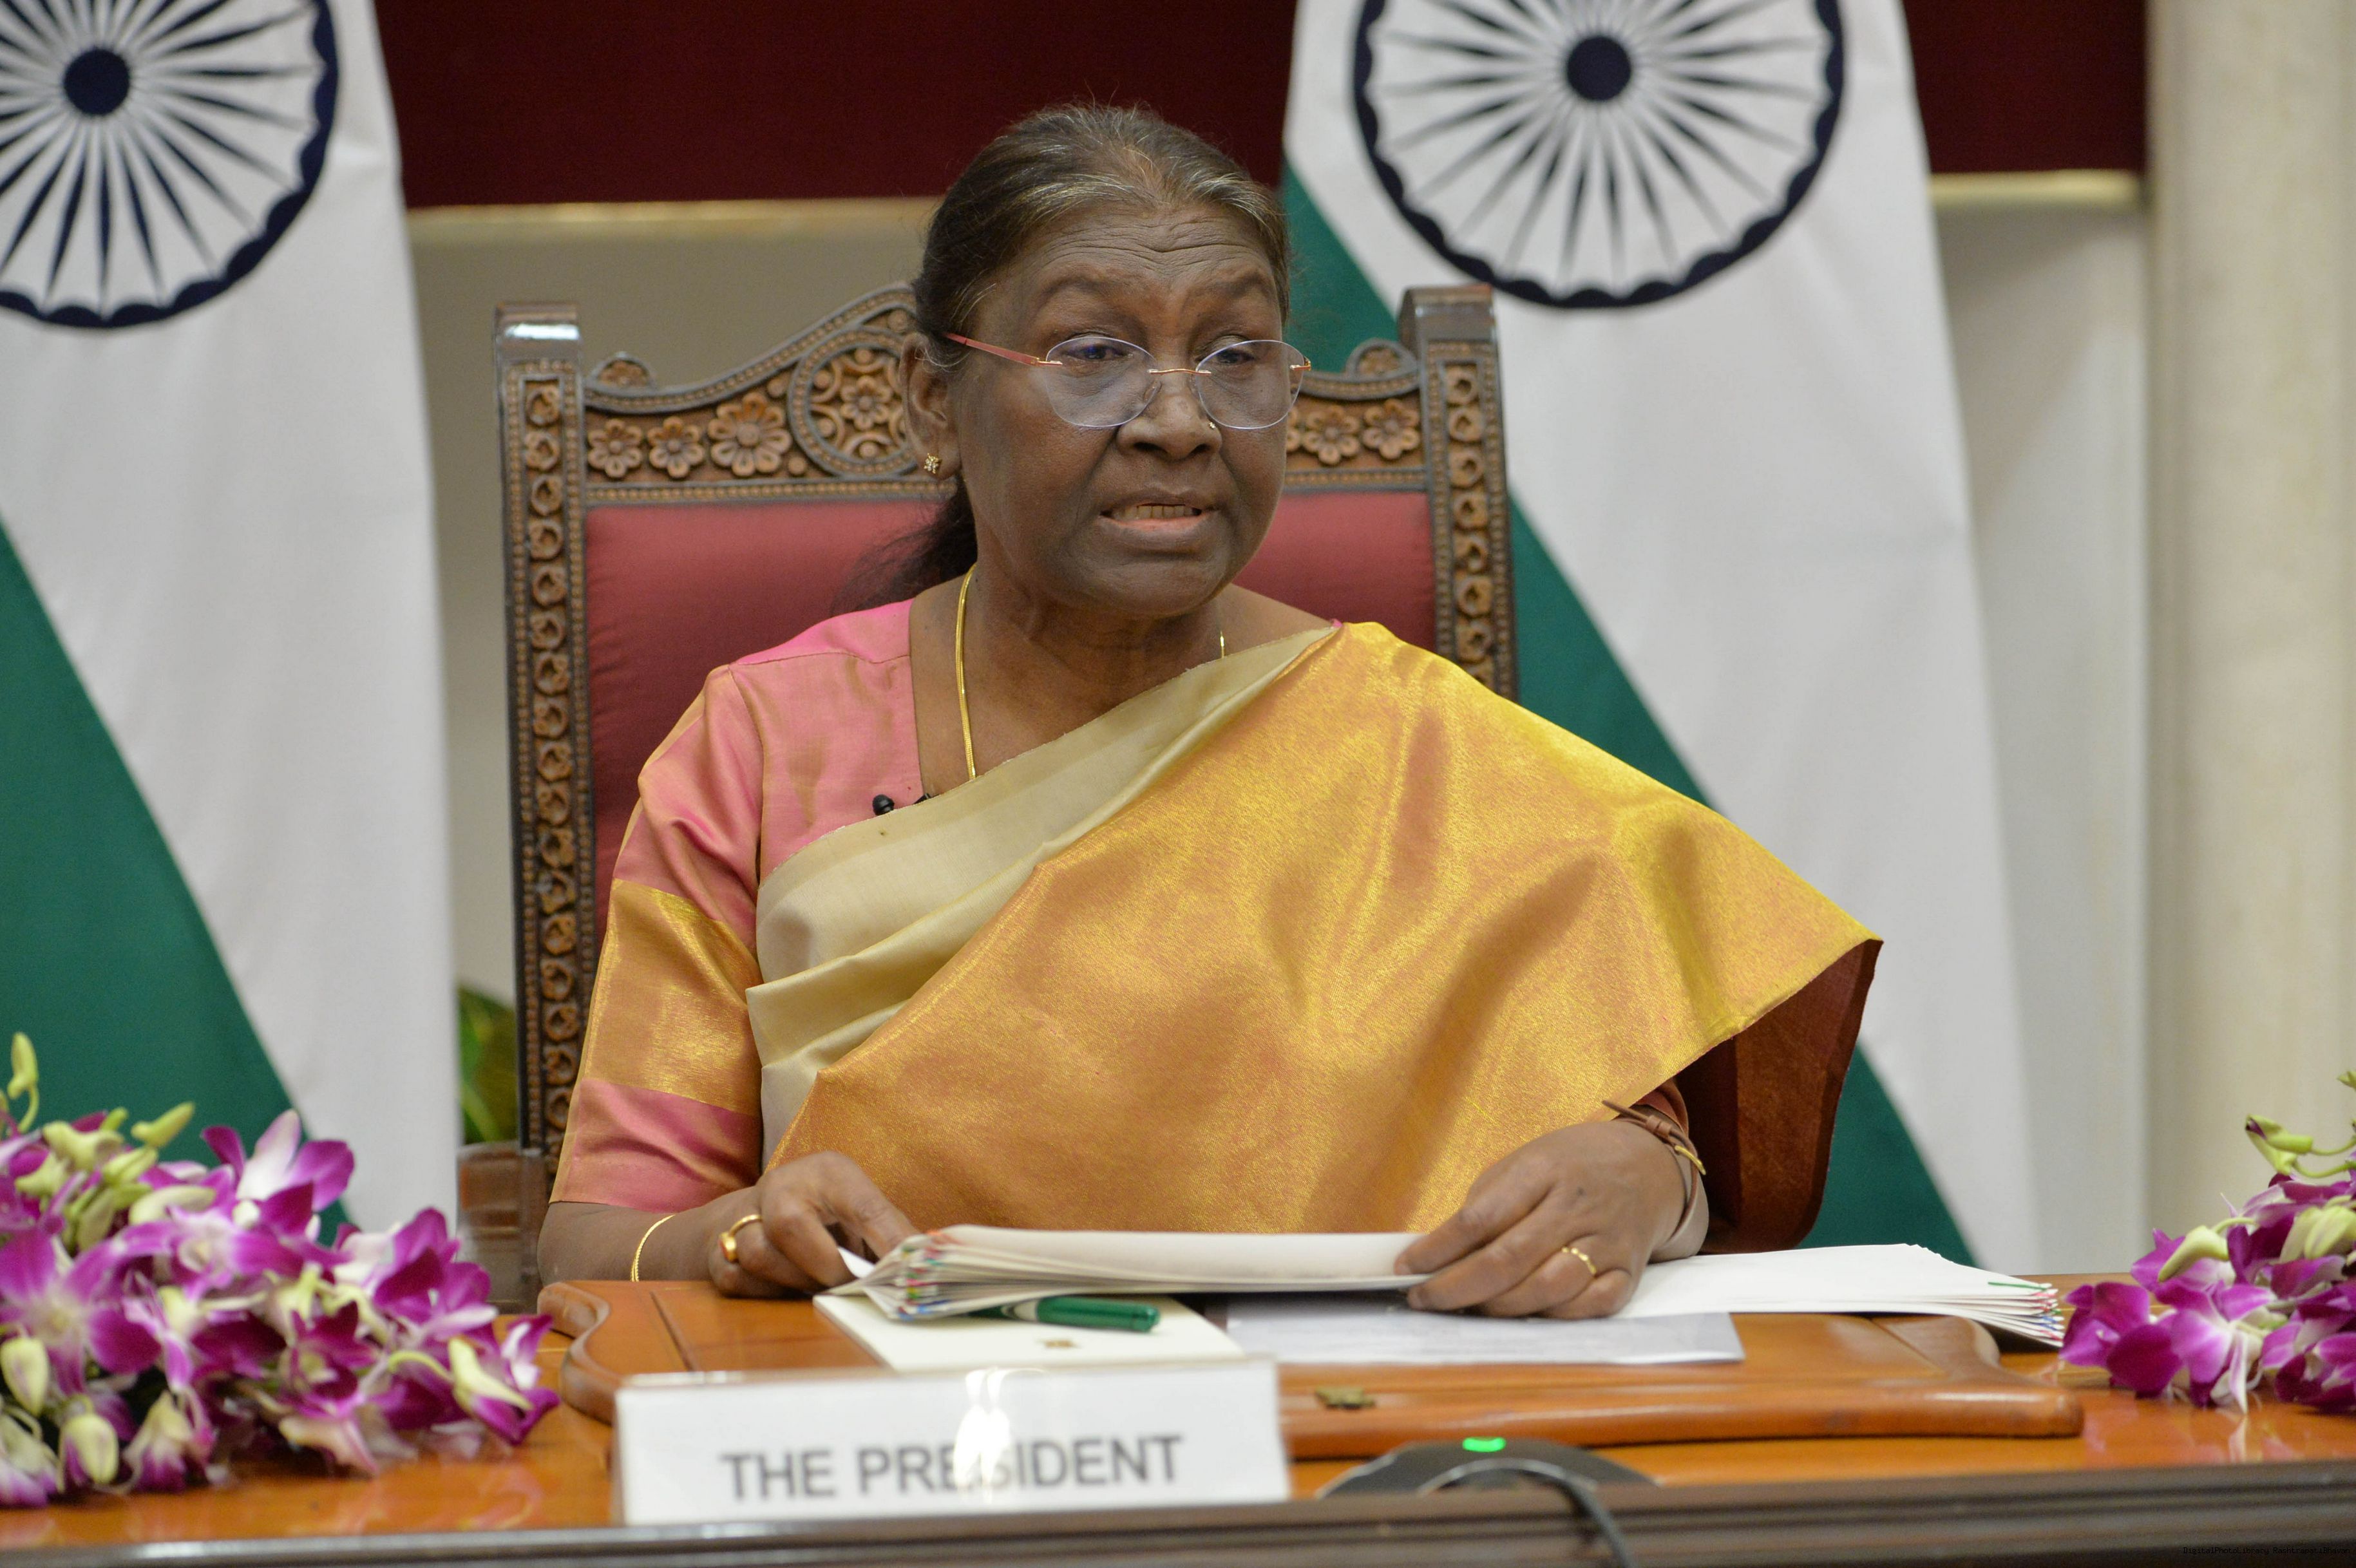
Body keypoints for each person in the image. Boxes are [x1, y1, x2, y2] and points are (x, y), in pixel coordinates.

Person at [540, 104, 1877, 1319]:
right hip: (920, 1434)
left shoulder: (1404, 736)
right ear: (932, 401)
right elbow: (600, 1243)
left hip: (1358, 1429)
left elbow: (1658, 1153)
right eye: (1092, 354)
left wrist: (1646, 1186)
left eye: (1236, 358)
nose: (1178, 422)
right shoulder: (764, 743)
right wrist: (741, 1233)